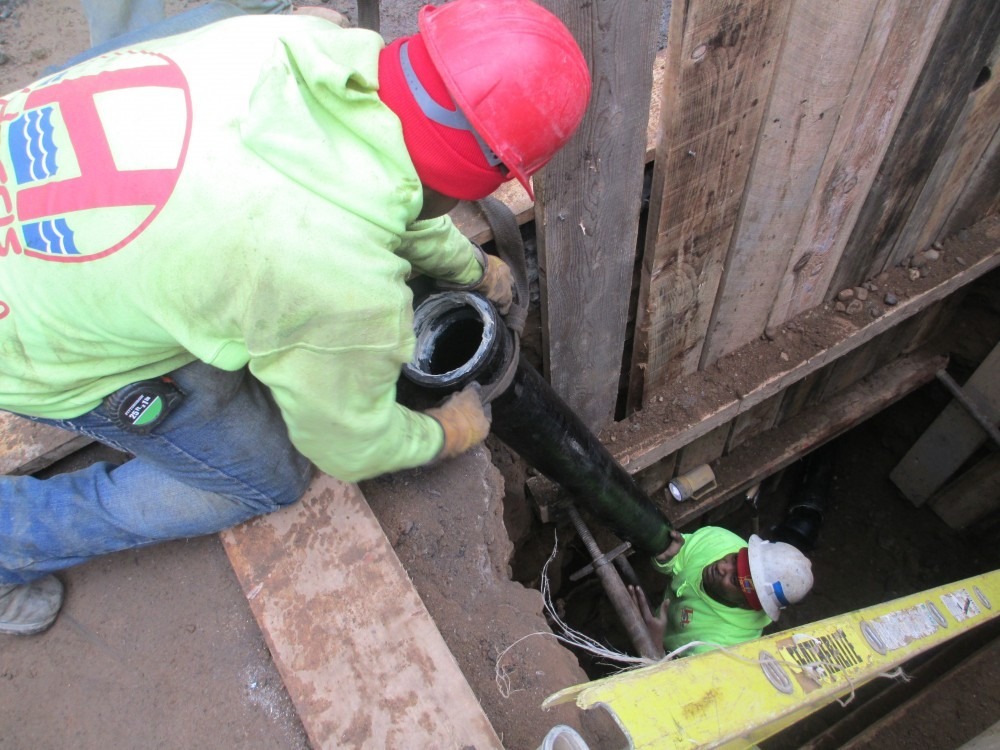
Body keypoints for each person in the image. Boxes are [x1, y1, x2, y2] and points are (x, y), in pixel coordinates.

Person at [0, 0, 591, 635]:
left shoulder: (301, 42)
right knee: (266, 480)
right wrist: (447, 431)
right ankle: (14, 540)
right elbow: (347, 442)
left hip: (37, 215)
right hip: (29, 346)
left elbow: (385, 184)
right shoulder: (338, 280)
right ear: (485, 176)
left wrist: (472, 267)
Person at [629, 527, 814, 657]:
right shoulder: (717, 542)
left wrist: (654, 643)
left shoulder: (721, 647)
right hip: (663, 615)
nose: (722, 566)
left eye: (734, 580)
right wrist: (667, 558)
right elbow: (674, 560)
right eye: (735, 559)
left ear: (747, 604)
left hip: (671, 653)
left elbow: (678, 686)